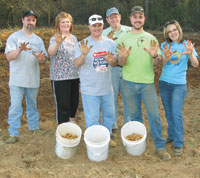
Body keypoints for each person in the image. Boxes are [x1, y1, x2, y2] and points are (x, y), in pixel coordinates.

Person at [117, 6, 171, 161]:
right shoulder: (123, 39)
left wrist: (155, 56)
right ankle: (138, 143)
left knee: (154, 115)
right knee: (134, 116)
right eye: (135, 17)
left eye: (140, 17)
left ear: (144, 19)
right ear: (130, 19)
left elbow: (157, 63)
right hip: (128, 83)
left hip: (147, 84)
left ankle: (159, 146)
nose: (137, 19)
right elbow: (119, 62)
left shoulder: (151, 38)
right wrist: (123, 57)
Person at [74, 14, 128, 147]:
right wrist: (84, 54)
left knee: (109, 115)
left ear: (103, 27)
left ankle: (106, 138)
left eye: (99, 25)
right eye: (94, 26)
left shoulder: (110, 43)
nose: (97, 28)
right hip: (90, 88)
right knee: (92, 118)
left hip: (107, 87)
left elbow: (115, 62)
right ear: (89, 27)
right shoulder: (82, 44)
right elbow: (77, 64)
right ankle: (94, 142)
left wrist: (112, 61)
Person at [4, 10, 48, 144]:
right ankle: (13, 133)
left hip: (32, 79)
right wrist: (20, 49)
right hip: (17, 80)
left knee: (32, 105)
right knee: (16, 107)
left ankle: (34, 127)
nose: (31, 22)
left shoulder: (38, 40)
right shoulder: (14, 37)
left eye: (33, 20)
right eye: (28, 20)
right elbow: (9, 57)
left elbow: (44, 58)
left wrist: (42, 59)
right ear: (23, 20)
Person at [158, 20, 199, 156]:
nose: (173, 33)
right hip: (164, 83)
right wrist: (165, 56)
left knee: (176, 113)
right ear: (167, 34)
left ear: (179, 30)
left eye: (174, 30)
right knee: (168, 112)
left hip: (179, 85)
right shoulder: (164, 45)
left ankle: (179, 143)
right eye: (169, 31)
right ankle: (171, 135)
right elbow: (162, 64)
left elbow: (195, 64)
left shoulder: (186, 45)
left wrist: (190, 54)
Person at [102, 7, 137, 133]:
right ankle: (112, 123)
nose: (114, 19)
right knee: (112, 96)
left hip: (128, 67)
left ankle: (127, 122)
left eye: (116, 16)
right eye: (111, 17)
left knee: (128, 97)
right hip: (112, 69)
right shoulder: (104, 33)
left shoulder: (129, 31)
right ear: (107, 19)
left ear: (120, 17)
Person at [48, 12, 79, 124]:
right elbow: (51, 53)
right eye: (63, 22)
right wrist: (57, 43)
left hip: (74, 75)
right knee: (63, 105)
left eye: (68, 22)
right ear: (58, 24)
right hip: (60, 77)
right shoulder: (55, 38)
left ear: (71, 24)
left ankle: (71, 123)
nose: (66, 24)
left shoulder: (74, 39)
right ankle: (62, 127)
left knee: (73, 102)